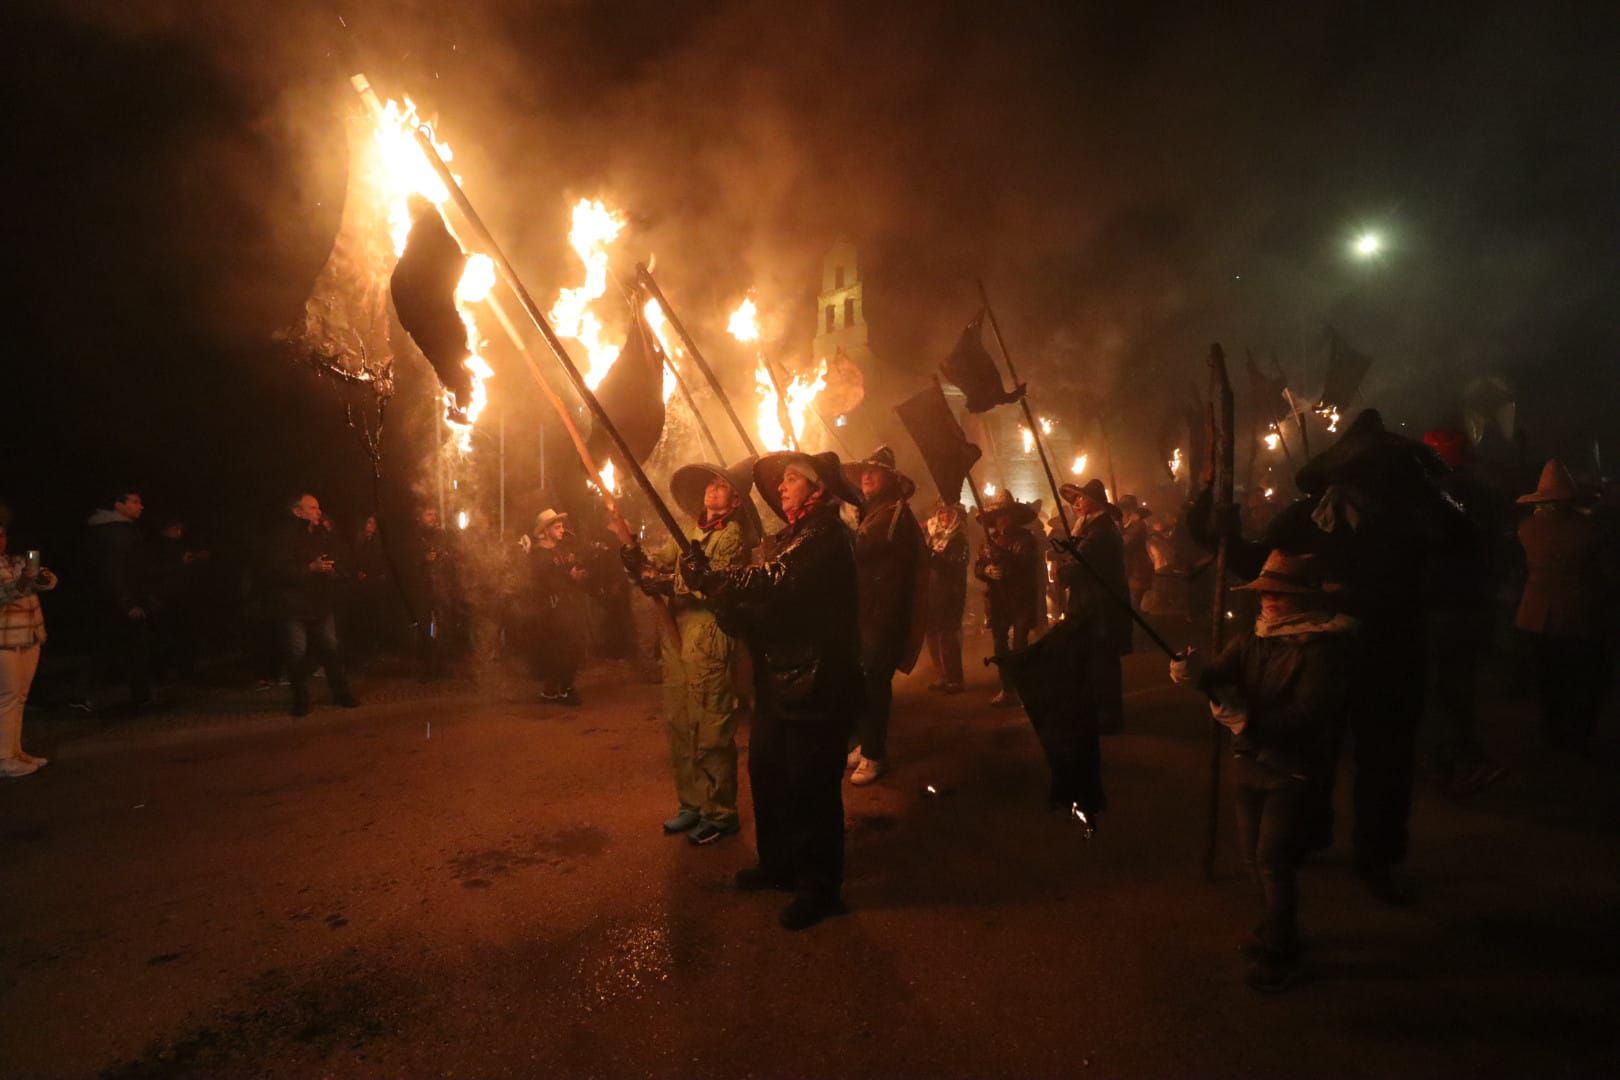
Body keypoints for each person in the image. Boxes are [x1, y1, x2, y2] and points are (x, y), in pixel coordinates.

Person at [1184, 408, 1472, 905]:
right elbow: (1258, 562)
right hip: (1318, 656)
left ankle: (1377, 858)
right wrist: (1214, 529)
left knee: (1386, 765)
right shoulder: (1308, 517)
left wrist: (1426, 506)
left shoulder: (1421, 512)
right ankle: (1306, 834)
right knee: (1307, 753)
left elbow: (1466, 548)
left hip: (1392, 654)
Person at [680, 451, 863, 931]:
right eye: (780, 481)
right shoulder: (792, 536)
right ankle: (778, 865)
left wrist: (718, 578)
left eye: (791, 480)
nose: (781, 488)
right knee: (769, 775)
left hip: (818, 682)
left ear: (817, 489)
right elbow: (767, 606)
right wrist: (726, 603)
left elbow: (774, 581)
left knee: (811, 789)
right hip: (780, 680)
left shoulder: (826, 536)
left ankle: (820, 889)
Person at [1171, 551, 1358, 993]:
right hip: (1249, 762)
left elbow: (1309, 717)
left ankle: (1284, 951)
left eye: (1282, 593)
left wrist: (1248, 721)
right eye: (1267, 592)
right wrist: (1191, 671)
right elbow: (1216, 674)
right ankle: (1276, 927)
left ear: (1305, 598)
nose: (1270, 600)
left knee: (1274, 861)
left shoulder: (1323, 649)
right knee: (1254, 858)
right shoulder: (1253, 640)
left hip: (1291, 769)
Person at [623, 458, 758, 846]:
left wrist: (665, 583)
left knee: (711, 723)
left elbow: (711, 583)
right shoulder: (686, 528)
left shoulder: (732, 536)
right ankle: (692, 803)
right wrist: (636, 558)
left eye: (721, 488)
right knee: (680, 722)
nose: (712, 491)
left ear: (733, 502)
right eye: (710, 485)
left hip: (709, 633)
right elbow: (660, 564)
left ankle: (720, 812)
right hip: (677, 630)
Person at [1421, 428, 1507, 796]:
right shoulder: (1469, 489)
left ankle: (1465, 762)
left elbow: (1451, 537)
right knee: (1450, 689)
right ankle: (1449, 765)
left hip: (1452, 604)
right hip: (1462, 602)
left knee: (1448, 689)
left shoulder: (1452, 493)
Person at [841, 447, 926, 786]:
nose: (866, 477)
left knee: (875, 684)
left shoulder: (894, 515)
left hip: (883, 615)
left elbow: (880, 562)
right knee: (862, 683)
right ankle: (866, 743)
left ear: (890, 478)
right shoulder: (874, 512)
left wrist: (848, 534)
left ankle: (876, 756)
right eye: (863, 472)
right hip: (865, 613)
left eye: (874, 472)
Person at [1514, 460, 1609, 750]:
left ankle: (1551, 732)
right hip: (1577, 614)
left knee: (1548, 679)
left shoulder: (1526, 529)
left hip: (1536, 616)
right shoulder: (1588, 531)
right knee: (1578, 678)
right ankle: (1578, 735)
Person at [269, 493, 360, 717]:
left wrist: (332, 570)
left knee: (331, 647)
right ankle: (300, 699)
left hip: (320, 602)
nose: (318, 512)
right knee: (296, 652)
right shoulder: (284, 537)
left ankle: (340, 692)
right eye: (312, 508)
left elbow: (336, 558)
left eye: (318, 508)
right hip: (293, 605)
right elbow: (279, 570)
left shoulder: (321, 534)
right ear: (297, 511)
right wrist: (309, 568)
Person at [1058, 479, 1132, 734]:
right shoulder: (1090, 529)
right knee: (1094, 663)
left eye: (1081, 498)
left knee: (1102, 665)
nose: (1076, 503)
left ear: (1096, 503)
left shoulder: (1099, 532)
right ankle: (1099, 713)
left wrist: (1062, 568)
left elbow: (1076, 566)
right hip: (1092, 606)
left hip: (1099, 608)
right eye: (1075, 499)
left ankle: (1108, 718)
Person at [72, 487, 154, 712]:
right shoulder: (117, 533)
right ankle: (140, 696)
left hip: (109, 600)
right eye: (135, 501)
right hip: (117, 602)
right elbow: (115, 570)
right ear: (119, 505)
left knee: (108, 647)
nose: (140, 506)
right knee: (125, 648)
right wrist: (128, 603)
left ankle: (137, 695)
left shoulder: (114, 531)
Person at [0, 512, 58, 777]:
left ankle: (16, 752)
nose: (1, 539)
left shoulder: (13, 560)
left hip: (29, 636)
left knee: (20, 697)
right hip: (4, 642)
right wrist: (25, 581)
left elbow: (47, 583)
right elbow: (7, 593)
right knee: (8, 698)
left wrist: (41, 576)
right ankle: (4, 758)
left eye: (2, 534)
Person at [974, 491, 1042, 708]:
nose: (1002, 519)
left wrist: (1003, 563)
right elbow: (978, 567)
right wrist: (986, 570)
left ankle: (1023, 689)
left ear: (1013, 516)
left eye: (1006, 515)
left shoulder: (1026, 539)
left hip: (1020, 598)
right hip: (998, 600)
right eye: (998, 515)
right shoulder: (988, 540)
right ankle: (1007, 688)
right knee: (1000, 645)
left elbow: (1025, 566)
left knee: (1020, 645)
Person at [526, 508, 589, 704]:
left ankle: (557, 687)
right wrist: (568, 577)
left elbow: (566, 570)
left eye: (562, 526)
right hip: (552, 609)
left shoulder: (561, 548)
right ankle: (562, 688)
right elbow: (544, 581)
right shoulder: (538, 554)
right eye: (557, 527)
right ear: (545, 531)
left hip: (568, 606)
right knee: (561, 647)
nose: (562, 530)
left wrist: (576, 575)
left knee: (571, 646)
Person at [923, 499, 970, 694]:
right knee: (932, 634)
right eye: (942, 513)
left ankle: (955, 678)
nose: (944, 517)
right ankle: (941, 674)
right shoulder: (933, 537)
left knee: (948, 635)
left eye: (949, 513)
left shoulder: (959, 539)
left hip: (950, 592)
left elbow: (955, 563)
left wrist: (932, 556)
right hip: (932, 592)